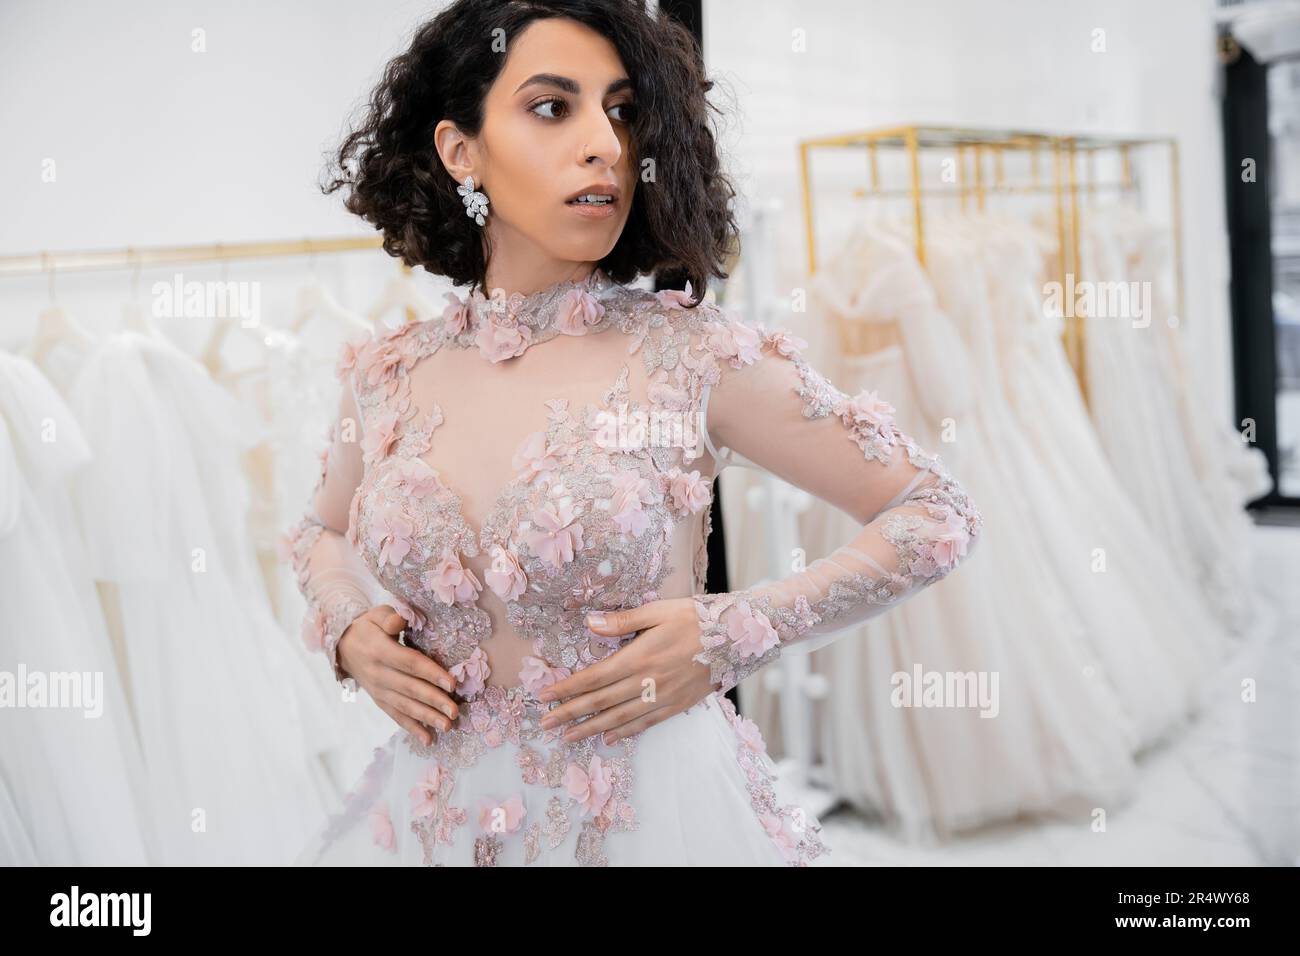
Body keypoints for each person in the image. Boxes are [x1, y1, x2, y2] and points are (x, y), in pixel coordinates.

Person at [281, 0, 981, 867]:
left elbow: (936, 511)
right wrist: (352, 631)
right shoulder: (388, 372)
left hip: (657, 819)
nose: (605, 146)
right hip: (438, 820)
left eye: (620, 112)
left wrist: (730, 631)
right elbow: (319, 530)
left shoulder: (689, 353)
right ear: (460, 150)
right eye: (552, 107)